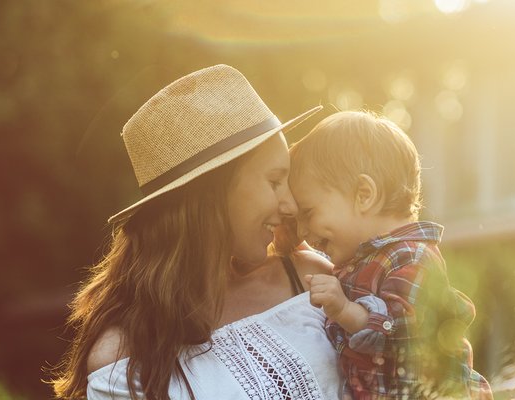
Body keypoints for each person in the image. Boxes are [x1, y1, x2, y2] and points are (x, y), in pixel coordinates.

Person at [50, 64, 342, 399]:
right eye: (274, 182)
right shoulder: (122, 360)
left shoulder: (311, 282)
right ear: (213, 194)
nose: (290, 204)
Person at [289, 111, 492, 399]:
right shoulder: (362, 261)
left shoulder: (410, 258)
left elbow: (408, 338)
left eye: (308, 213)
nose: (304, 230)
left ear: (364, 195)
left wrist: (347, 312)